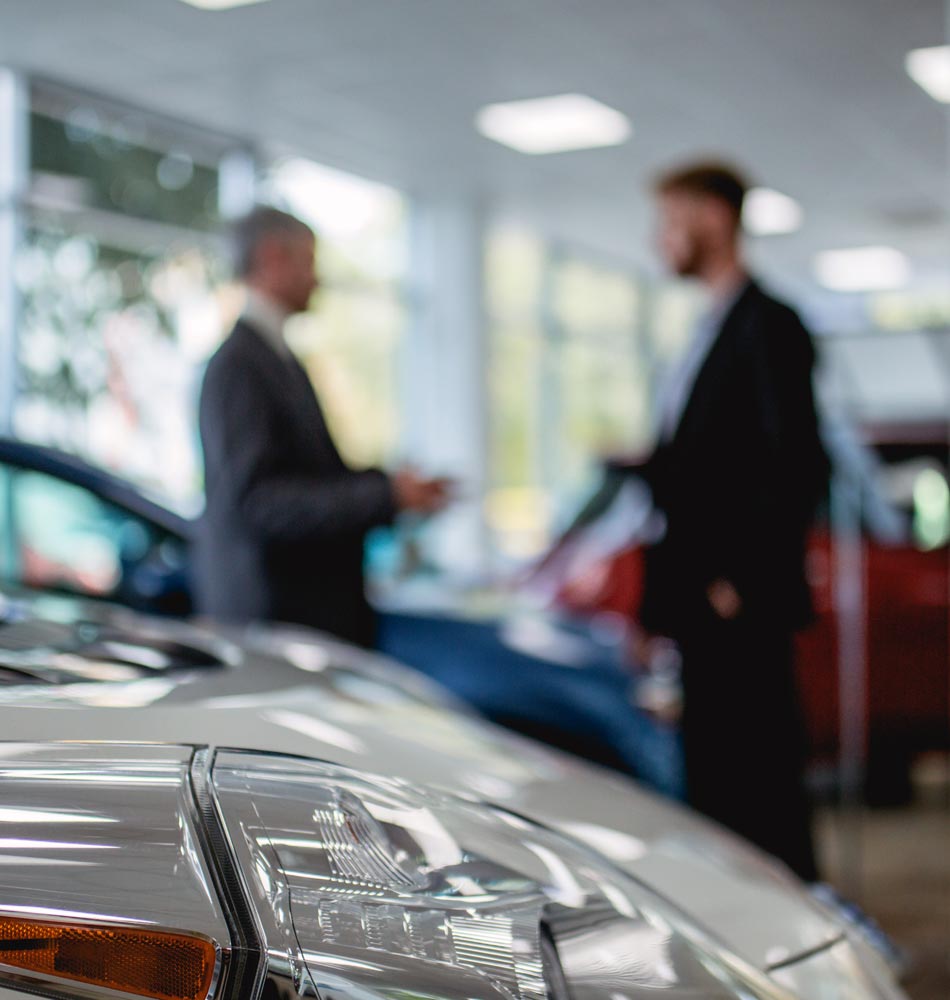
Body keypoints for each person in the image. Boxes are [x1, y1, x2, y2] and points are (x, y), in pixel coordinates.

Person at [638, 162, 828, 880]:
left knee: (760, 789)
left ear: (713, 220)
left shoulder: (768, 325)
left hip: (734, 603)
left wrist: (738, 581)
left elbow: (797, 464)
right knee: (719, 785)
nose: (659, 240)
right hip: (701, 599)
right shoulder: (708, 328)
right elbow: (716, 463)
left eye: (670, 220)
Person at [195, 207, 449, 648]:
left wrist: (390, 489)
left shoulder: (278, 360)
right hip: (276, 622)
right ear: (273, 257)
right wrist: (384, 496)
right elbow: (260, 501)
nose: (317, 280)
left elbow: (309, 477)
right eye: (309, 262)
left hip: (303, 616)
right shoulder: (239, 366)